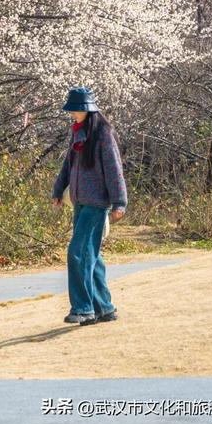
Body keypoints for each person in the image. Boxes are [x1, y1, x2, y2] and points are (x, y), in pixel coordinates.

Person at [51, 86, 127, 326]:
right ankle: (104, 307)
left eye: (75, 109)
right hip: (79, 202)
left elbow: (114, 169)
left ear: (87, 109)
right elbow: (68, 165)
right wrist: (57, 190)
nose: (72, 113)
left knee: (78, 252)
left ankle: (83, 309)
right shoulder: (78, 132)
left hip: (96, 204)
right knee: (91, 257)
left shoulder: (103, 133)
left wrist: (119, 202)